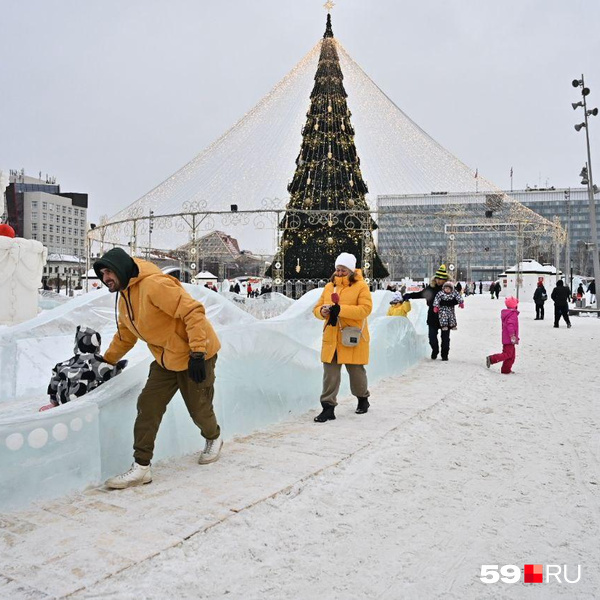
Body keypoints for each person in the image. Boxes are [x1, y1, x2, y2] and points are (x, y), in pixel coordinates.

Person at [93, 247, 223, 489]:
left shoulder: (155, 286)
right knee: (147, 406)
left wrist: (197, 352)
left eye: (109, 272)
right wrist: (106, 361)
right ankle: (141, 467)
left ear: (121, 268)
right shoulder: (123, 298)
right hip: (166, 360)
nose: (105, 278)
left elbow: (193, 312)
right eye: (102, 274)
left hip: (197, 354)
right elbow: (125, 336)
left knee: (199, 408)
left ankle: (213, 437)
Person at [313, 252, 372, 422]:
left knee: (356, 373)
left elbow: (365, 310)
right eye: (337, 269)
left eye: (343, 270)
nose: (339, 273)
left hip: (351, 336)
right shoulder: (329, 287)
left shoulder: (361, 286)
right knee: (330, 375)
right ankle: (328, 407)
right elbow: (316, 309)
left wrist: (342, 310)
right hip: (332, 337)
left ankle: (363, 398)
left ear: (352, 271)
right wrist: (322, 312)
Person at [404, 264, 453, 360]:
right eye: (437, 279)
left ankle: (444, 354)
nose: (439, 281)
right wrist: (409, 295)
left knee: (445, 338)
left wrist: (447, 302)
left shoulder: (449, 289)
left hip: (445, 317)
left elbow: (456, 299)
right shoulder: (431, 288)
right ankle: (435, 350)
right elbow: (421, 294)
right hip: (433, 317)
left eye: (441, 279)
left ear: (445, 280)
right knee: (432, 338)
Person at [486, 296, 519, 374]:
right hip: (509, 339)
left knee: (511, 356)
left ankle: (506, 370)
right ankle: (492, 359)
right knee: (508, 354)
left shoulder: (508, 313)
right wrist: (512, 336)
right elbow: (510, 326)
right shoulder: (512, 314)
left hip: (507, 338)